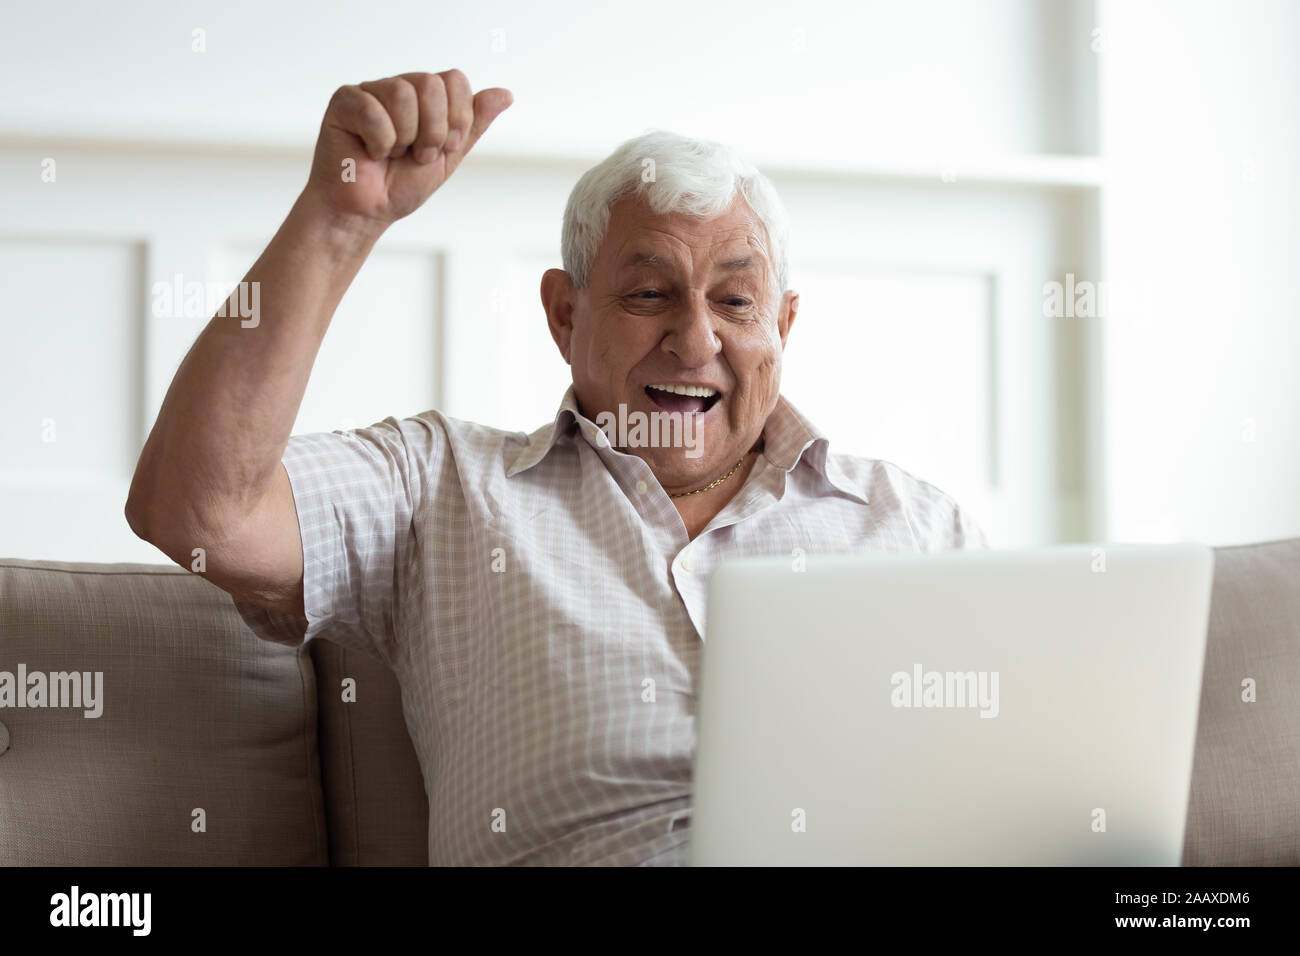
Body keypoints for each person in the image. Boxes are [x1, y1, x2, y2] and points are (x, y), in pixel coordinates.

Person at [126, 69, 986, 865]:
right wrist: (339, 219)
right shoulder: (443, 487)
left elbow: (1028, 777)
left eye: (734, 301)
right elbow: (199, 513)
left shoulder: (916, 526)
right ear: (564, 315)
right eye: (648, 295)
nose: (694, 341)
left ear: (784, 328)